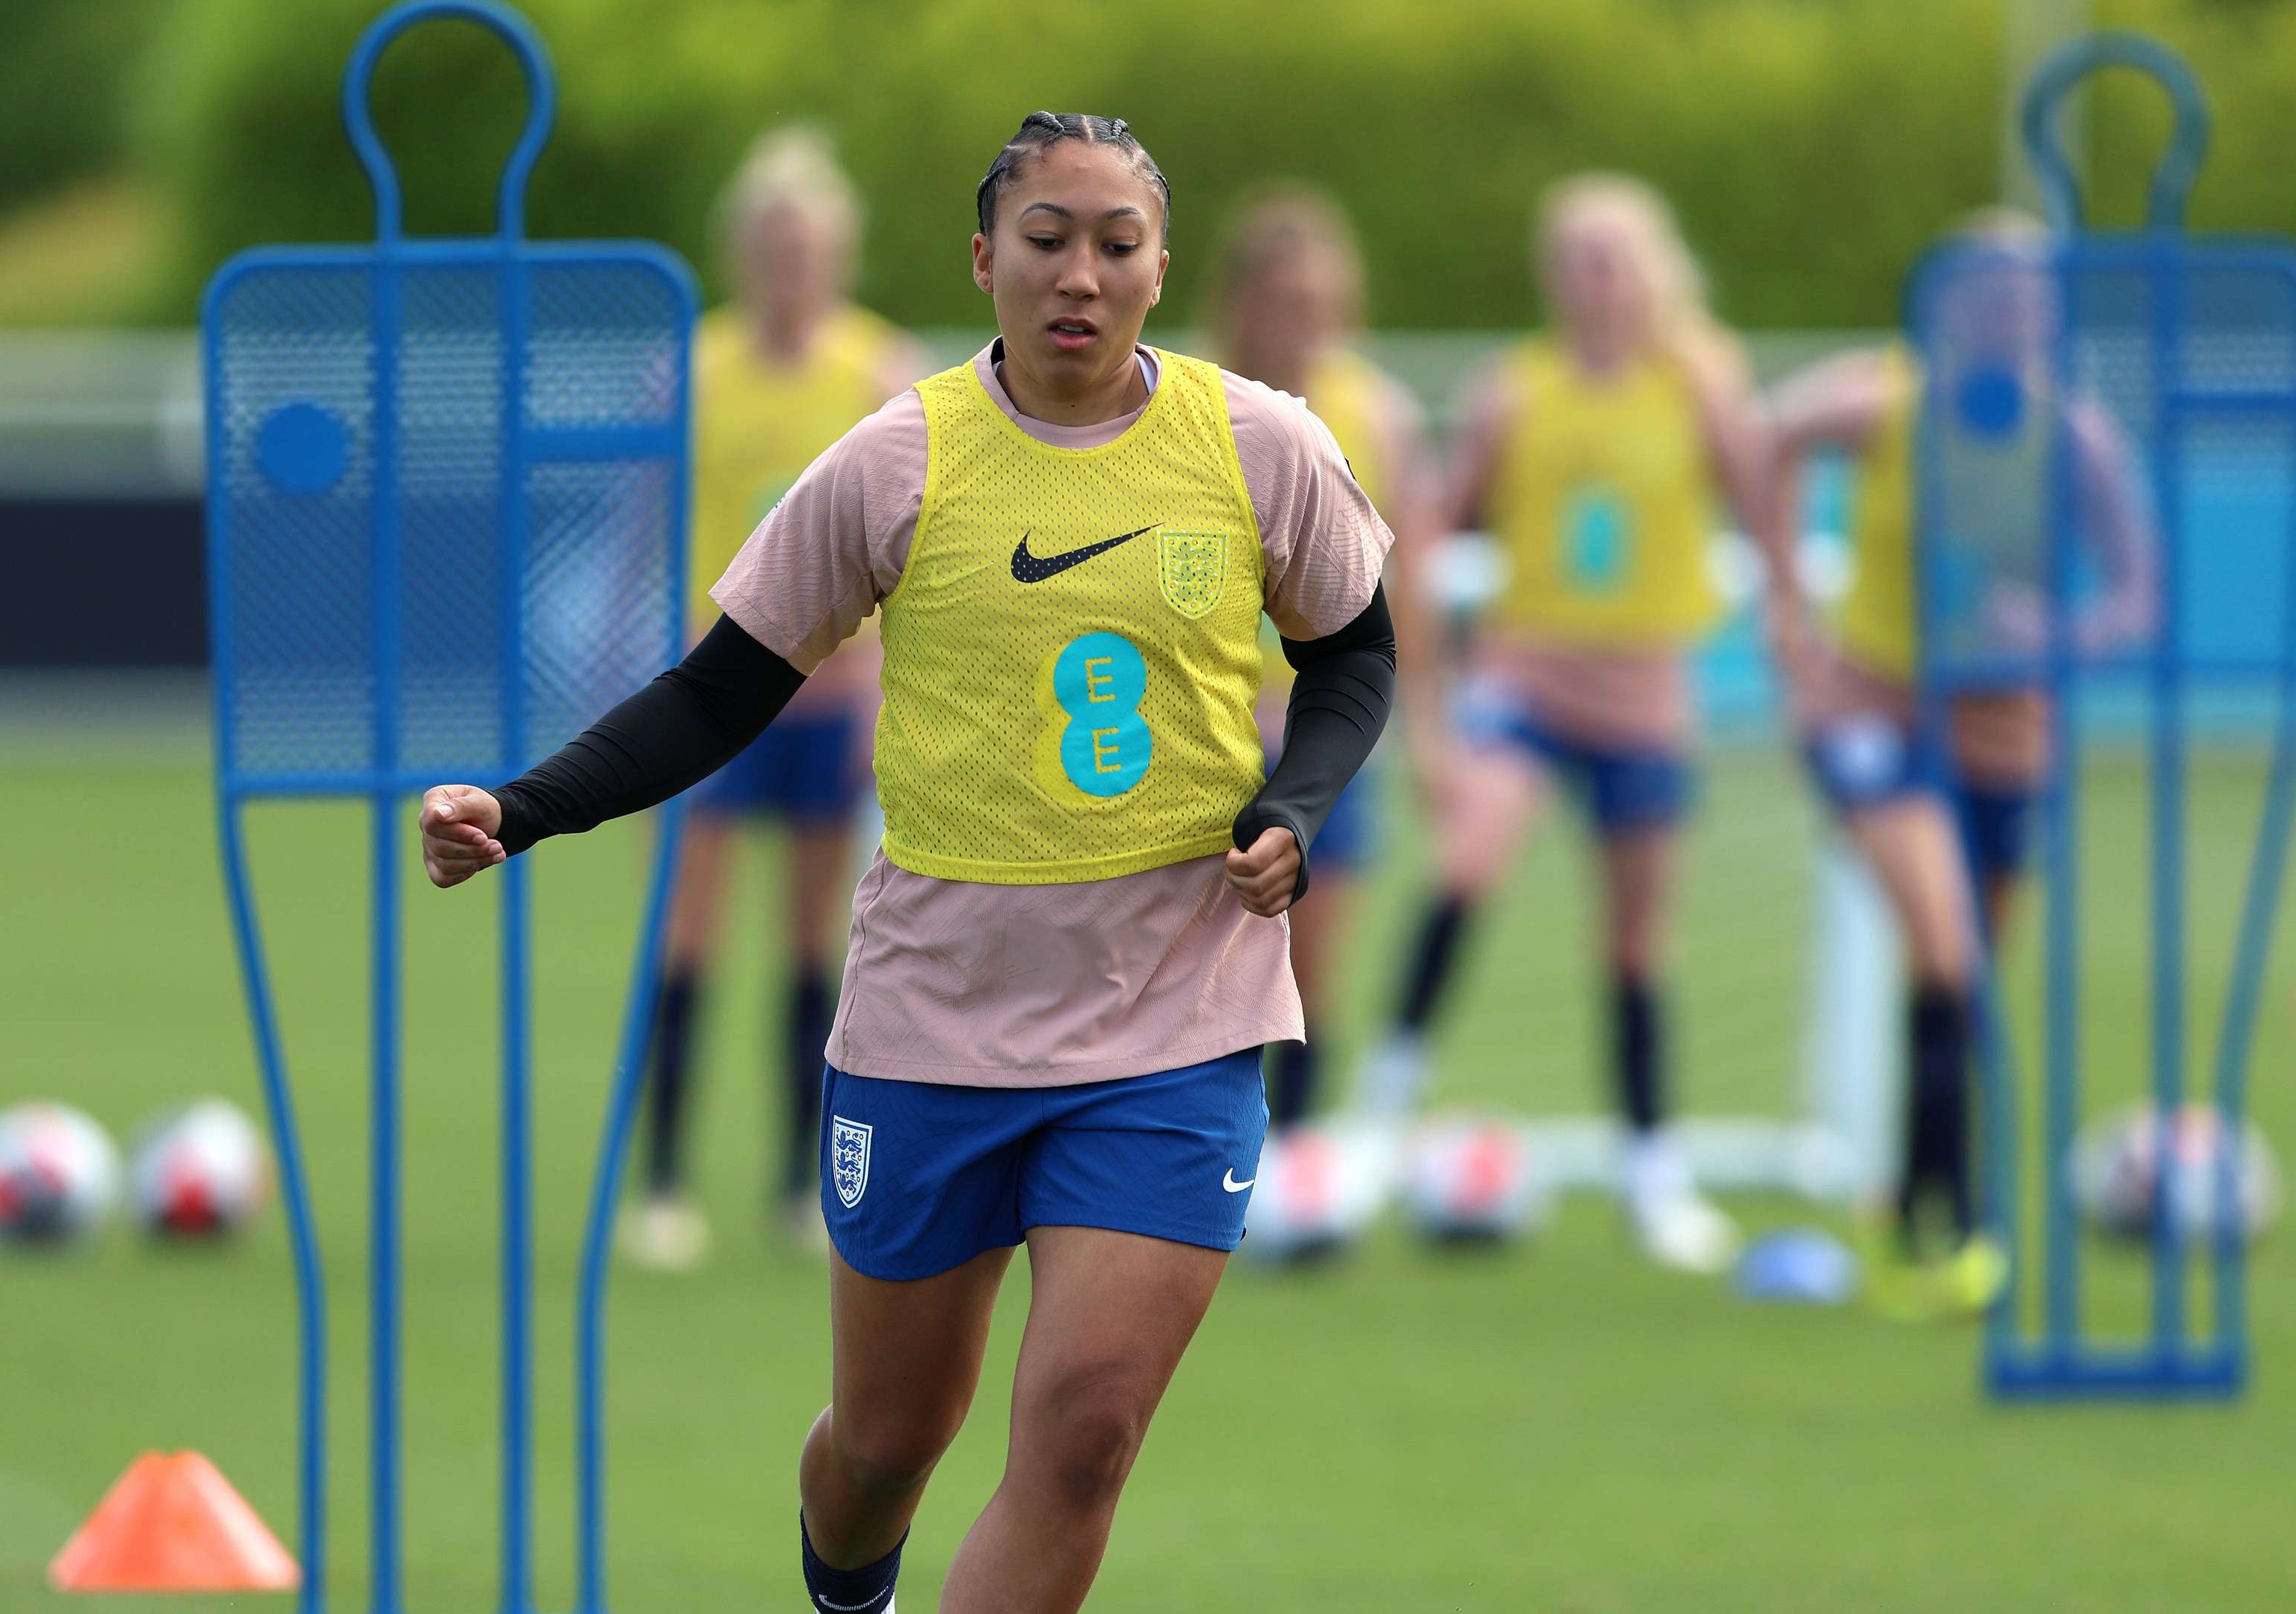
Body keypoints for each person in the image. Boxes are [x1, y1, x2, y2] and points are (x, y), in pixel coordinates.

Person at [418, 113, 1394, 1613]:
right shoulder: (901, 456)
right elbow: (717, 691)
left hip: (1177, 1017)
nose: (1079, 273)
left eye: (1115, 243)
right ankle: (844, 1584)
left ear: (1158, 267)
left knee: (1083, 1436)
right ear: (985, 260)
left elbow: (1354, 658)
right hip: (936, 1025)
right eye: (1047, 240)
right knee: (884, 1445)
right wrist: (527, 806)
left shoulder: (1261, 443)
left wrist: (1296, 808)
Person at [1358, 173, 1772, 1274]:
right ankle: (1376, 1120)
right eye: (1577, 259)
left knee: (1639, 940)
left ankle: (1653, 1174)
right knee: (1468, 860)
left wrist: (1798, 633)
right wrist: (1431, 711)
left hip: (1645, 697)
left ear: (1653, 269)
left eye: (1614, 258)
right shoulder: (1517, 389)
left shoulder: (1700, 383)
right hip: (1528, 682)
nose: (1596, 280)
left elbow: (1764, 503)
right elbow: (1437, 530)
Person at [1760, 208, 2151, 1315]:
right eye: (1986, 289)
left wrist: (2060, 634)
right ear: (1949, 303)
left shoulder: (2072, 438)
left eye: (2029, 292)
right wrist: (1790, 607)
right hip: (1878, 709)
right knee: (1942, 947)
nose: (2006, 311)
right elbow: (1766, 439)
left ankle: (1903, 1204)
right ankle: (1954, 1228)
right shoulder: (1888, 399)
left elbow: (2137, 594)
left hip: (2006, 730)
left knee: (1968, 973)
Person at [627, 126, 933, 1270]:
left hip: (833, 696)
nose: (787, 262)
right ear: (741, 251)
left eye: (805, 243)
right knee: (687, 933)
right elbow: (640, 536)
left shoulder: (878, 372)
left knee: (817, 945)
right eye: (769, 241)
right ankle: (661, 1182)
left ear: (837, 252)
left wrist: (892, 698)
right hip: (716, 693)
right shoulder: (693, 371)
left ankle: (799, 1183)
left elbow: (917, 556)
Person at [1206, 185, 1433, 1131]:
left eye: (1320, 304)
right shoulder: (1194, 402)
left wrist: (1425, 725)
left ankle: (1291, 1167)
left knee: (1310, 967)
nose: (1303, 324)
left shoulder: (1375, 416)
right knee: (1198, 969)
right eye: (1282, 302)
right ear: (1239, 303)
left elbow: (1408, 584)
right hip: (1208, 729)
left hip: (1324, 733)